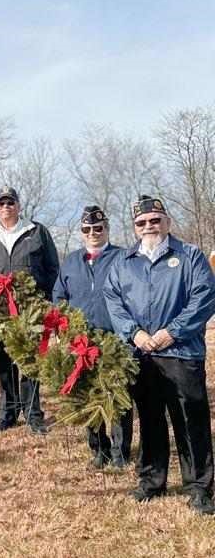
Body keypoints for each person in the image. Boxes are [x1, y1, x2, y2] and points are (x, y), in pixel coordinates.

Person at [104, 195, 215, 515]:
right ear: (134, 228)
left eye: (155, 220)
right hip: (142, 353)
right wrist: (134, 333)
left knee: (190, 419)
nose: (149, 227)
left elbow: (204, 298)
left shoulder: (190, 256)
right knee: (150, 418)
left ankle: (199, 487)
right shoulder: (123, 263)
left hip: (181, 352)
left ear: (167, 221)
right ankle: (152, 480)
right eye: (142, 223)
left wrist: (172, 332)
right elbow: (114, 301)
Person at [0, 186, 60, 434]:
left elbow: (53, 269)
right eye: (1, 203)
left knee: (31, 362)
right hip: (1, 312)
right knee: (5, 361)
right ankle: (8, 412)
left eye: (10, 202)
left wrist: (48, 303)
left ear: (18, 206)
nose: (6, 207)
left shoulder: (36, 232)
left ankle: (33, 414)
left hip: (31, 311)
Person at [52, 205, 132, 468]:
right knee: (88, 397)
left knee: (117, 399)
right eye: (87, 229)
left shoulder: (123, 258)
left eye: (98, 228)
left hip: (115, 341)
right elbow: (59, 297)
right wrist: (65, 327)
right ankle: (99, 451)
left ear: (107, 230)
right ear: (81, 233)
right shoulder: (71, 262)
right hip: (82, 343)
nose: (93, 233)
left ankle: (120, 454)